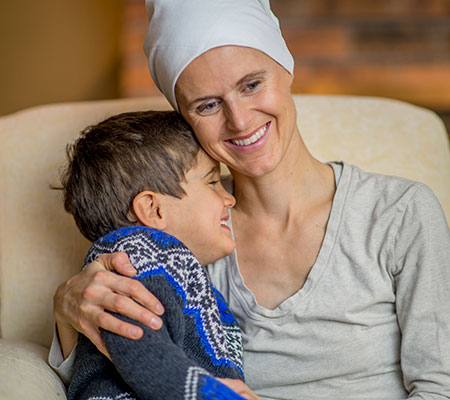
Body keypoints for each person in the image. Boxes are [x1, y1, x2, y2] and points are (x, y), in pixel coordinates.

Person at [50, 0, 450, 399]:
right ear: (185, 120)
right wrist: (68, 314)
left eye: (251, 85)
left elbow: (439, 386)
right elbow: (121, 370)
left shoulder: (399, 212)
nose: (240, 121)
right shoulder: (188, 232)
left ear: (286, 68)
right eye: (207, 105)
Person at [58, 110, 259, 400]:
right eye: (213, 182)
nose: (229, 198)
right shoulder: (138, 254)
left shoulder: (174, 266)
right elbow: (138, 345)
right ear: (153, 210)